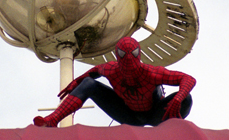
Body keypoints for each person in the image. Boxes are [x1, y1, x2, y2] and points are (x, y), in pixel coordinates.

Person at [33, 36, 196, 127]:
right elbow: (93, 72)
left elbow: (188, 79)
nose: (129, 72)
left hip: (156, 114)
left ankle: (175, 129)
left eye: (132, 68)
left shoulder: (151, 73)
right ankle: (53, 119)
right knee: (88, 84)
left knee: (187, 98)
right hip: (128, 115)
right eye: (125, 68)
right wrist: (77, 82)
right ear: (118, 61)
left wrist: (178, 98)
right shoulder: (111, 69)